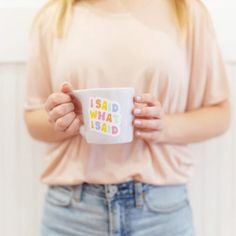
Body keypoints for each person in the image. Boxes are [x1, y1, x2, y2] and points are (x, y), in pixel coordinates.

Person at [24, 0, 230, 235]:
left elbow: (219, 113)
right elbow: (33, 119)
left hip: (162, 215)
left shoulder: (187, 11)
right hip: (72, 213)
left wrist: (165, 128)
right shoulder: (53, 17)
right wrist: (61, 120)